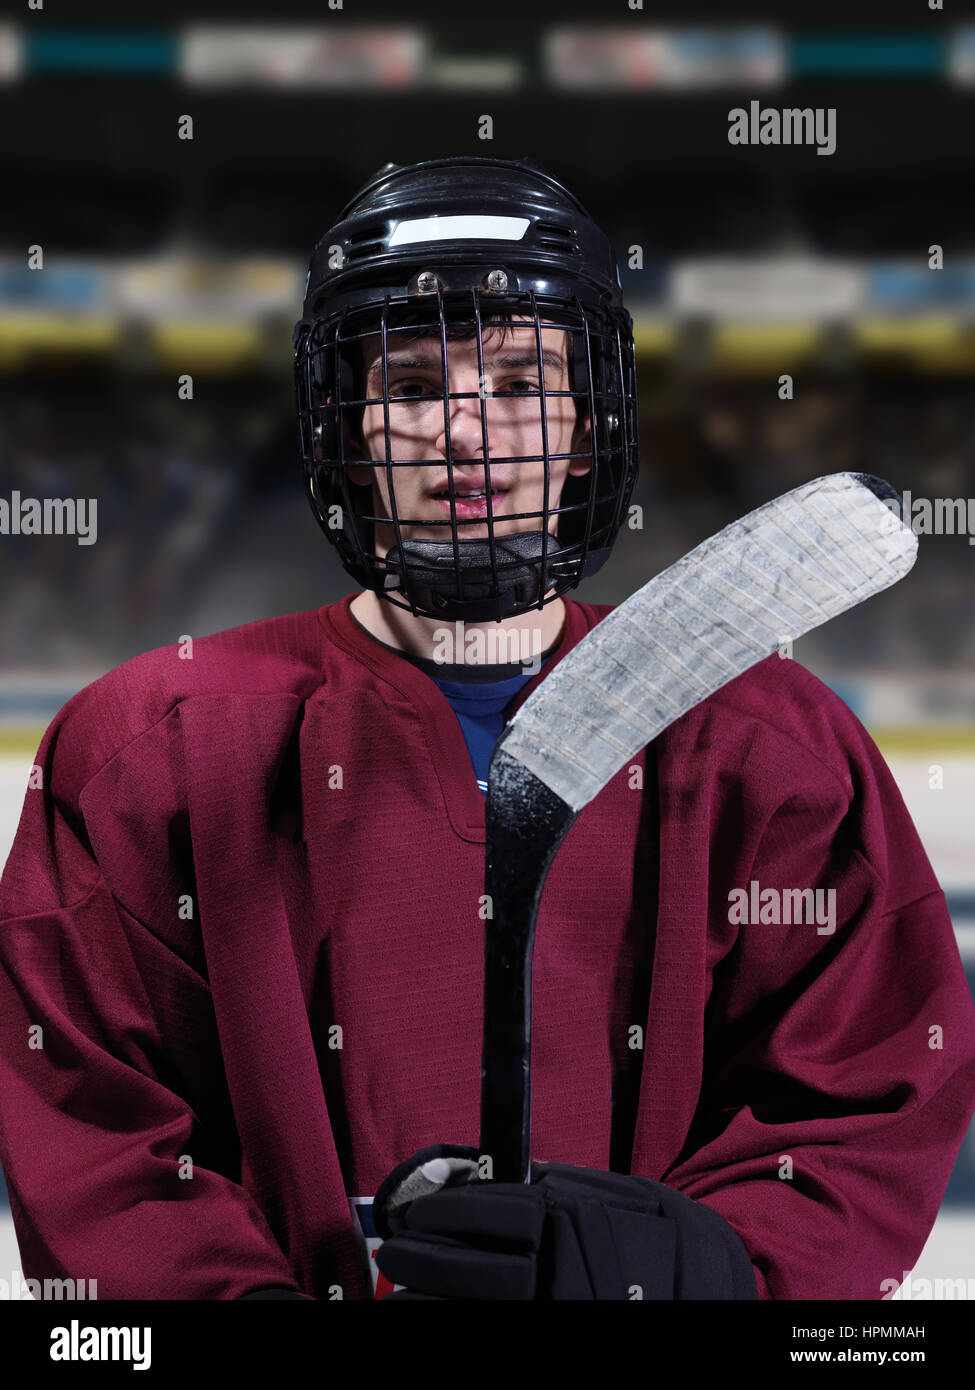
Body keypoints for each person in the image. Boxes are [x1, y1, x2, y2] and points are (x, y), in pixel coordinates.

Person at [0, 157, 973, 1302]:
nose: (469, 437)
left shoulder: (768, 739)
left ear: (585, 421)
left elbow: (865, 1088)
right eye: (414, 388)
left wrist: (699, 1272)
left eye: (519, 380)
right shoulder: (147, 749)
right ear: (349, 428)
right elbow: (94, 1124)